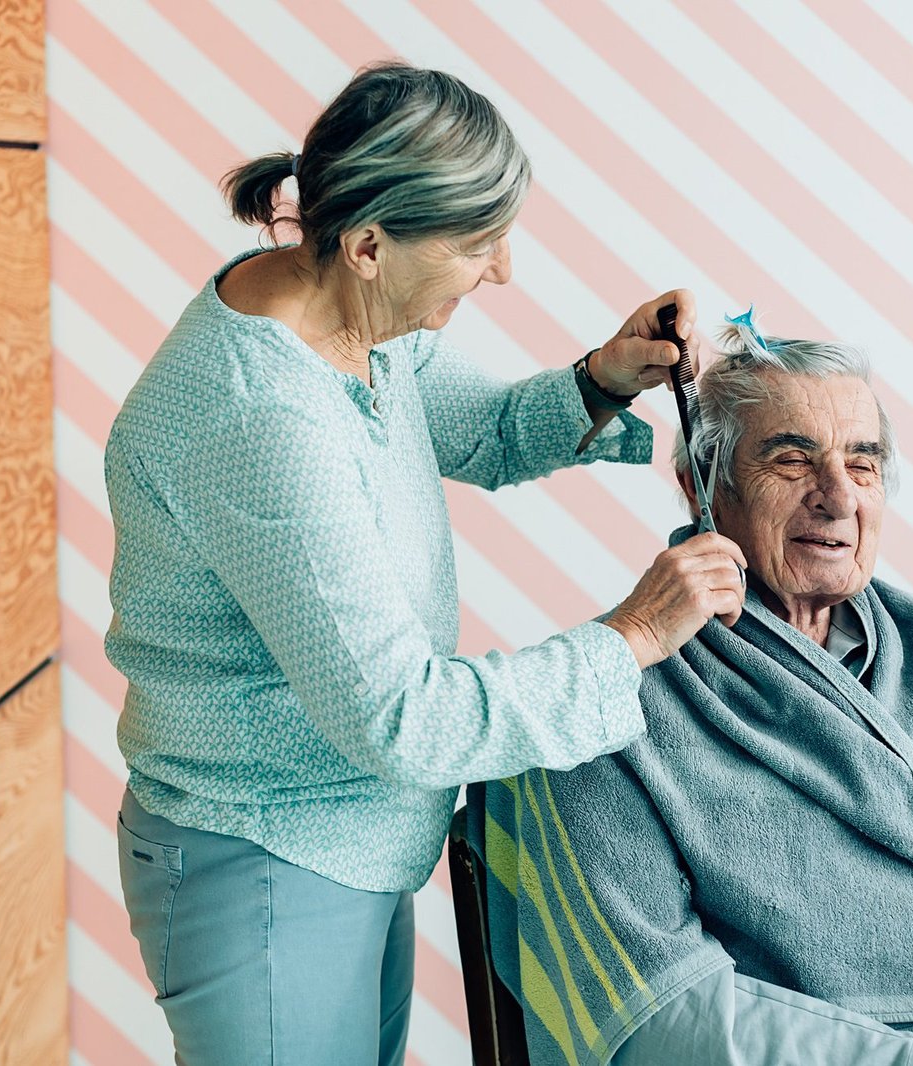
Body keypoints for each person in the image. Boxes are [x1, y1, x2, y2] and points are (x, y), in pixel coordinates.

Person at [104, 61, 746, 1065]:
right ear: (367, 244)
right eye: (479, 244)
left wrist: (602, 381)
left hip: (345, 843)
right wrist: (633, 636)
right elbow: (402, 717)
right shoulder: (260, 416)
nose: (502, 272)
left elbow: (482, 431)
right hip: (267, 862)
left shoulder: (345, 316)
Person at [475, 313, 913, 1066]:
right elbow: (662, 1021)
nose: (839, 497)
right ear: (699, 483)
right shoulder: (594, 702)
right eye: (792, 459)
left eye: (864, 464)